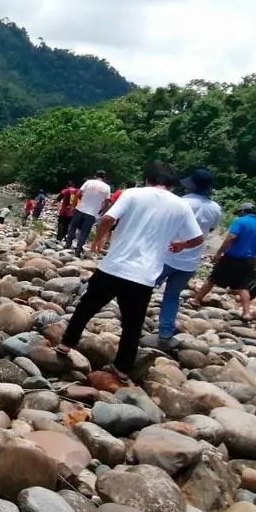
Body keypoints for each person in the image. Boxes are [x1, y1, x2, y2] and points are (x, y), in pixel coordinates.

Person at [52, 161, 204, 384]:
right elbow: (198, 239)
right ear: (171, 183)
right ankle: (122, 368)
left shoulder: (133, 194)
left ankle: (66, 344)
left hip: (114, 267)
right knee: (133, 324)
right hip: (143, 276)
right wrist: (180, 246)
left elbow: (107, 218)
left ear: (147, 179)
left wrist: (99, 239)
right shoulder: (182, 206)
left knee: (86, 308)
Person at [155, 169, 223, 349]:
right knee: (172, 297)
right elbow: (211, 230)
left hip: (166, 255)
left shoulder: (181, 202)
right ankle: (165, 332)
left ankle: (129, 318)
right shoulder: (215, 208)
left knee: (144, 287)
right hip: (190, 260)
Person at [192, 202, 256, 320]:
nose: (238, 215)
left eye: (239, 212)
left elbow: (231, 237)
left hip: (232, 257)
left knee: (212, 279)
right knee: (243, 287)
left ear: (244, 211)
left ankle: (197, 300)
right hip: (248, 260)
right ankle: (246, 313)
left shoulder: (240, 221)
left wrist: (219, 253)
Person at [65, 170, 112, 255]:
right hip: (92, 213)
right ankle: (78, 250)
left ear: (95, 176)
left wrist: (72, 206)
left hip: (80, 208)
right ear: (104, 177)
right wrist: (104, 214)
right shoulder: (107, 187)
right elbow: (106, 203)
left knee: (73, 226)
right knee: (85, 231)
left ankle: (68, 244)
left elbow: (78, 194)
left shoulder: (88, 182)